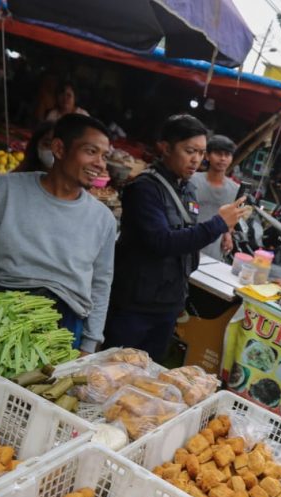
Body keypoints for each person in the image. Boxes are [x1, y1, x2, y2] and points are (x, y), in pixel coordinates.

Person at [0, 114, 118, 354]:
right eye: (91, 151)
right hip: (2, 309)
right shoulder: (4, 189)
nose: (100, 164)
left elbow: (101, 282)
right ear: (59, 148)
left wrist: (89, 342)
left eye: (104, 156)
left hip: (65, 326)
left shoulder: (103, 219)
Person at [106, 115, 250, 360]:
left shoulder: (187, 188)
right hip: (135, 303)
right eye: (189, 151)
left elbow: (186, 238)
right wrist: (217, 224)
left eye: (201, 152)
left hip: (169, 302)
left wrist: (223, 229)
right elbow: (162, 242)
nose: (196, 159)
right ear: (165, 147)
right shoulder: (144, 188)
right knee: (112, 369)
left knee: (147, 376)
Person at [188, 135, 240, 261]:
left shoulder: (235, 189)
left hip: (215, 250)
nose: (222, 158)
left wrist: (227, 234)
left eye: (227, 154)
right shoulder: (192, 180)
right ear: (207, 156)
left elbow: (231, 219)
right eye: (218, 153)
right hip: (188, 242)